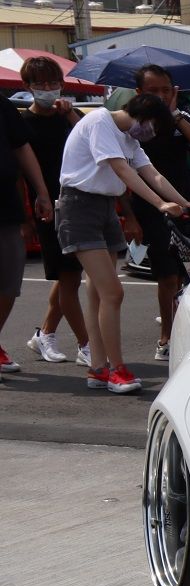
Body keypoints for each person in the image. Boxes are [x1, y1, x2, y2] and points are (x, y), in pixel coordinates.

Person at [55, 96, 190, 394]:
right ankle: (116, 369)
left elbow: (153, 173)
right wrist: (161, 204)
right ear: (142, 115)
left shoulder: (128, 138)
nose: (151, 133)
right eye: (152, 126)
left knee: (98, 293)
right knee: (113, 292)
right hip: (79, 208)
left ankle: (99, 368)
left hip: (105, 207)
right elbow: (122, 170)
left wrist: (185, 203)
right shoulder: (100, 121)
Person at [127, 64, 190, 362]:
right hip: (149, 206)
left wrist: (175, 116)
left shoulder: (181, 119)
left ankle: (180, 331)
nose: (161, 96)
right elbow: (124, 171)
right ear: (139, 93)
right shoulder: (134, 126)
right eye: (153, 91)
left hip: (182, 202)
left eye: (166, 90)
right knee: (166, 276)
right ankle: (166, 337)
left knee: (184, 274)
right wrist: (130, 218)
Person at [18, 56, 89, 368]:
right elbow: (19, 173)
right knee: (68, 275)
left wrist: (70, 113)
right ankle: (87, 344)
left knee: (69, 275)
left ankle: (45, 334)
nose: (47, 89)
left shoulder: (69, 116)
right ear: (28, 87)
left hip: (80, 204)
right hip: (46, 207)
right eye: (40, 84)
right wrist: (26, 218)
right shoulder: (23, 123)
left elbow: (94, 141)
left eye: (53, 82)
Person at [0, 85, 53, 377]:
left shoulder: (2, 105)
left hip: (5, 206)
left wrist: (41, 192)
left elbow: (22, 147)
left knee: (9, 281)